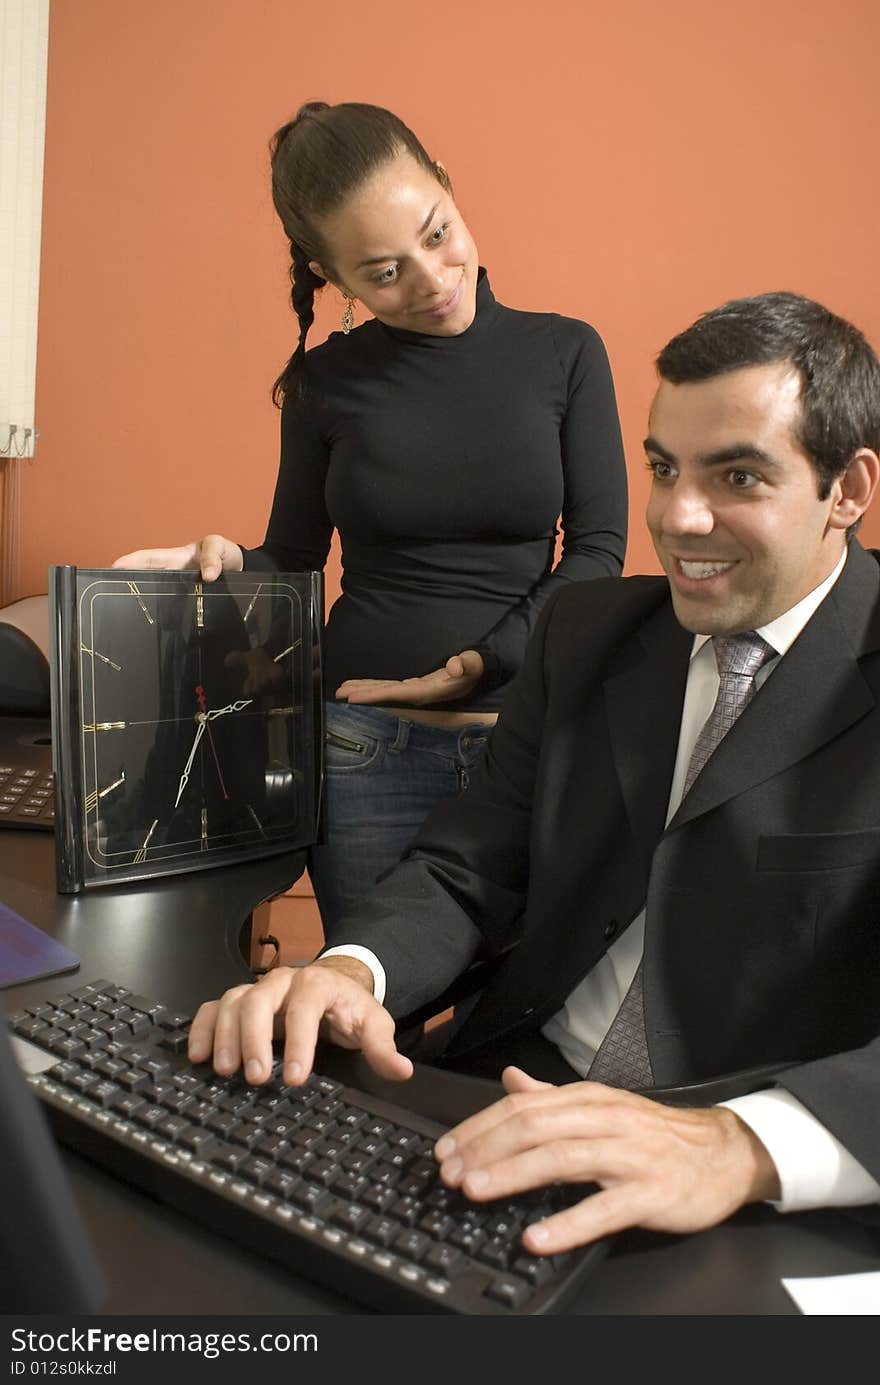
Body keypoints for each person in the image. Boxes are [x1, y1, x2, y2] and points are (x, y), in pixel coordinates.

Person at [189, 289, 880, 1257]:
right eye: (662, 467)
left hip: (738, 1177)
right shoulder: (587, 630)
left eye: (736, 475)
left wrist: (740, 1145)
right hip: (503, 1089)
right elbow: (465, 863)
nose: (678, 517)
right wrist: (351, 967)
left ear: (846, 489)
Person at [113, 101, 628, 939]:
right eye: (383, 273)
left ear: (451, 190)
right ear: (333, 277)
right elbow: (292, 558)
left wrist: (474, 663)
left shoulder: (567, 353)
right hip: (361, 752)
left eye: (437, 232)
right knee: (370, 1016)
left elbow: (598, 553)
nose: (431, 278)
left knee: (506, 1029)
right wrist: (225, 558)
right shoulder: (323, 383)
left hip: (528, 744)